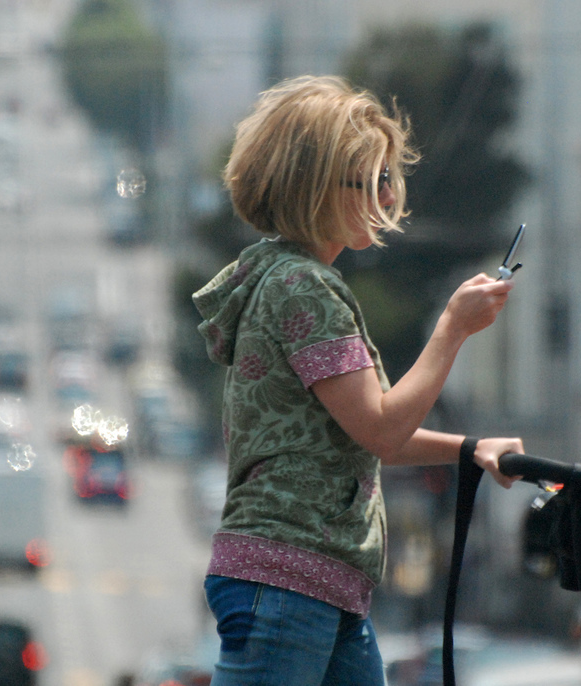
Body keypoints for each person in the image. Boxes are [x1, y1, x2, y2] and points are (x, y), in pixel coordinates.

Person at [192, 75, 524, 686]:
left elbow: (368, 430)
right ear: (318, 188)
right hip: (288, 580)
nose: (392, 196)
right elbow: (378, 429)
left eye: (391, 179)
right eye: (375, 180)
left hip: (319, 581)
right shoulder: (304, 289)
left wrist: (471, 452)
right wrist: (451, 329)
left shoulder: (280, 276)